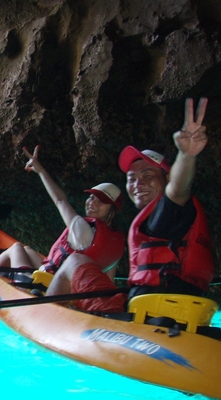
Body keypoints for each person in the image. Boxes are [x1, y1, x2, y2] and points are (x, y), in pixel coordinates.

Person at [47, 97, 213, 313]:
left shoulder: (169, 211)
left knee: (75, 260)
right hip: (177, 313)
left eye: (147, 175)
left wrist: (186, 155)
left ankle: (45, 316)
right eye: (132, 178)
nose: (137, 184)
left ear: (167, 178)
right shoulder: (168, 222)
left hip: (148, 317)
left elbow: (178, 190)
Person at [0, 146, 125, 284]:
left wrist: (41, 171)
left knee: (16, 248)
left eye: (101, 201)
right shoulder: (117, 243)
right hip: (67, 289)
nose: (93, 203)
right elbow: (108, 281)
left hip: (42, 285)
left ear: (113, 211)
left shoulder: (83, 229)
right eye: (92, 197)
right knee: (26, 249)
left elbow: (60, 200)